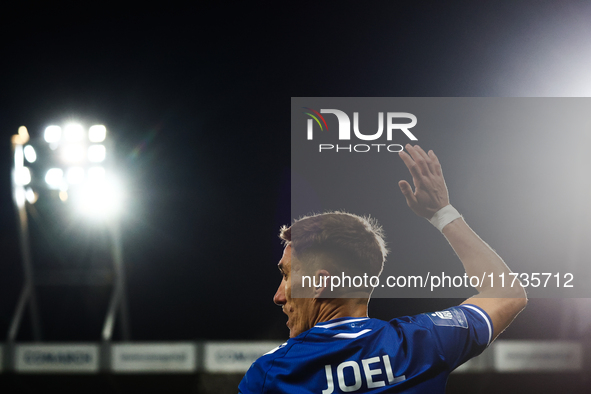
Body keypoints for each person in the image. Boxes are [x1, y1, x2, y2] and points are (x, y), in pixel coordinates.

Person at [238, 144, 527, 393]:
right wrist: (442, 213)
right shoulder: (420, 343)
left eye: (286, 275)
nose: (278, 296)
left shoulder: (271, 375)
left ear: (318, 284)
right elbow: (507, 293)